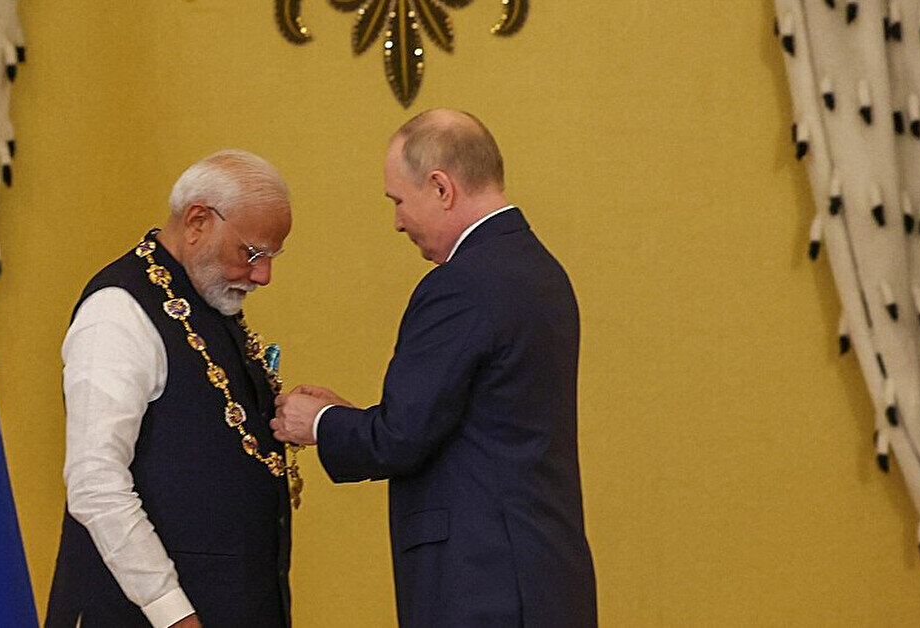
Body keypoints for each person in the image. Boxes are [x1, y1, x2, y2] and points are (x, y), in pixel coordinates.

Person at [271, 109, 598, 627]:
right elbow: (461, 423)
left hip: (482, 585)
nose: (397, 222)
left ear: (441, 188)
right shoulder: (540, 270)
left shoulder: (461, 284)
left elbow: (401, 438)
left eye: (399, 201)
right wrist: (355, 418)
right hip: (540, 576)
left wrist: (317, 423)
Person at [45, 150, 294, 628]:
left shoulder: (201, 300)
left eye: (270, 258)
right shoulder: (118, 312)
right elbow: (95, 483)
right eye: (252, 254)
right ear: (198, 221)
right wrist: (171, 612)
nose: (263, 275)